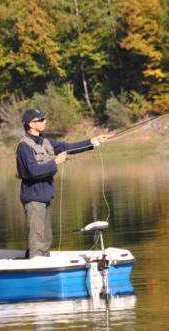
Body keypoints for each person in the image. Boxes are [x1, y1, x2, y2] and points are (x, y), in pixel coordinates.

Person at [16, 108, 112, 257]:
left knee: (46, 238)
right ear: (31, 124)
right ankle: (36, 264)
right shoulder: (24, 146)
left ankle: (42, 263)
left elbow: (67, 147)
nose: (45, 121)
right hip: (33, 198)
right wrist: (55, 161)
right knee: (38, 239)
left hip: (44, 196)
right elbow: (33, 171)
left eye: (44, 119)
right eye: (41, 120)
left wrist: (92, 141)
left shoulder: (45, 141)